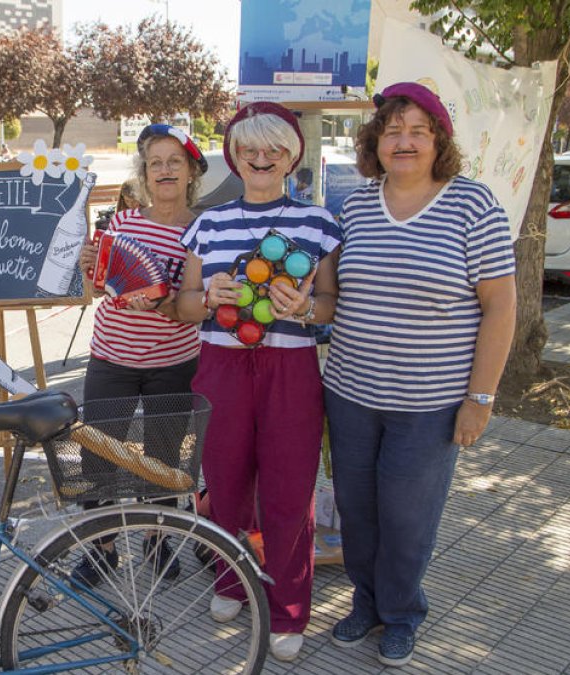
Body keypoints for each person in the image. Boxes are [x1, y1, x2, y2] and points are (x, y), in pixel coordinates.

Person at [323, 82, 516, 667]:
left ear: (438, 139)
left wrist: (479, 398)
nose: (403, 141)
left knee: (407, 517)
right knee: (356, 510)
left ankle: (403, 612)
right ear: (375, 141)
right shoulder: (355, 205)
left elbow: (501, 308)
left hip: (429, 404)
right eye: (392, 130)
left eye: (417, 130)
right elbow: (332, 294)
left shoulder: (472, 205)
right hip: (351, 393)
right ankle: (366, 601)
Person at [176, 102, 343, 662]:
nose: (261, 158)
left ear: (292, 156)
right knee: (224, 480)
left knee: (289, 488)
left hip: (290, 369)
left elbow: (329, 306)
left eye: (273, 149)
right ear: (235, 157)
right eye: (249, 150)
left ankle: (290, 606)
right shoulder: (208, 224)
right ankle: (229, 580)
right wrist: (209, 299)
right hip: (221, 364)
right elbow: (183, 305)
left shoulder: (319, 224)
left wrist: (303, 308)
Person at [70, 123, 207, 586]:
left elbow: (198, 309)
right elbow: (95, 290)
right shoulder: (124, 222)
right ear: (145, 175)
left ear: (191, 171)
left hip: (175, 361)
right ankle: (103, 550)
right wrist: (90, 268)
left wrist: (160, 299)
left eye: (174, 162)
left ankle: (157, 540)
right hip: (112, 358)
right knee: (97, 456)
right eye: (155, 164)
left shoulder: (203, 231)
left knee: (164, 460)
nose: (164, 171)